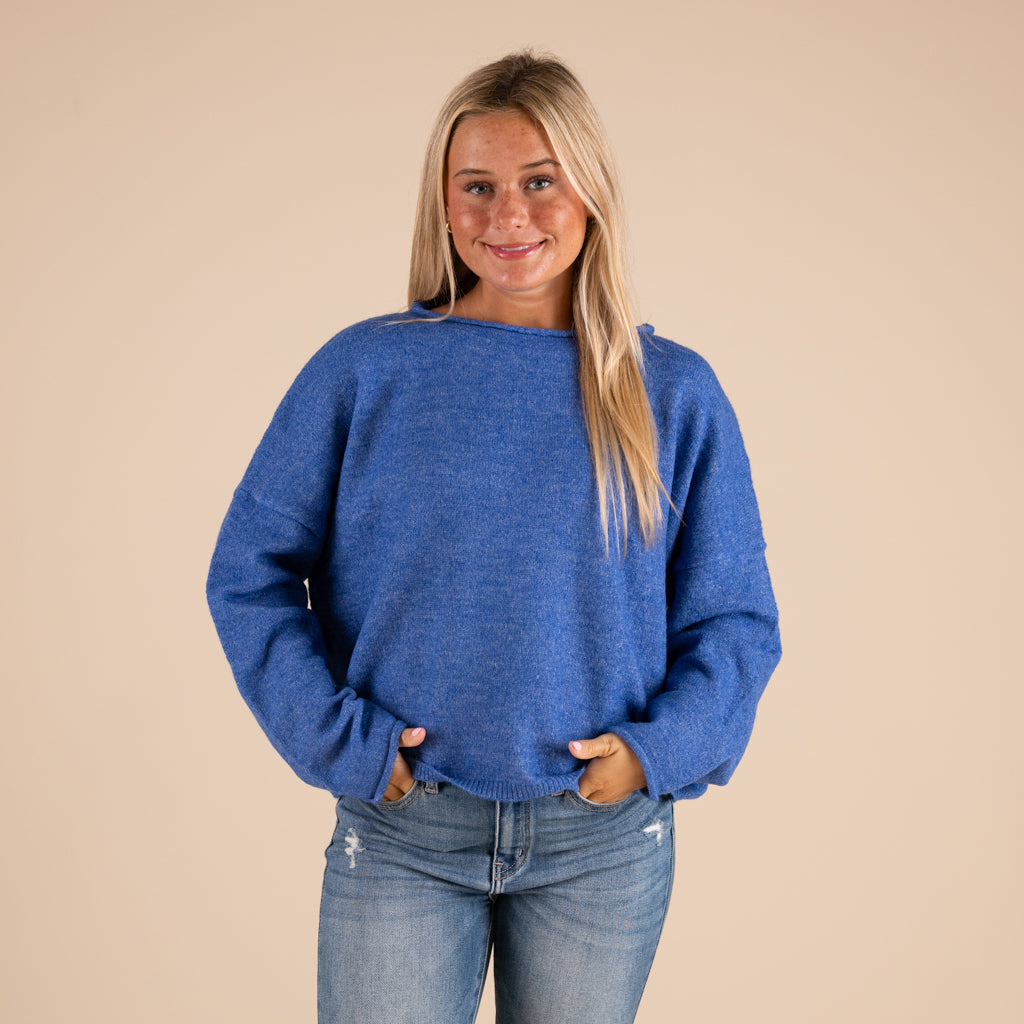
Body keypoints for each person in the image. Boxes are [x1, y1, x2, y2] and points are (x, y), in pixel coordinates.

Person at [207, 50, 781, 1024]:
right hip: (403, 831)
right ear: (442, 199)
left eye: (539, 182)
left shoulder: (671, 394)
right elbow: (249, 572)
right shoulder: (365, 373)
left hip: (596, 845)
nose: (507, 217)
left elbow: (733, 618)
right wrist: (343, 740)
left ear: (591, 191)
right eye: (476, 186)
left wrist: (652, 754)